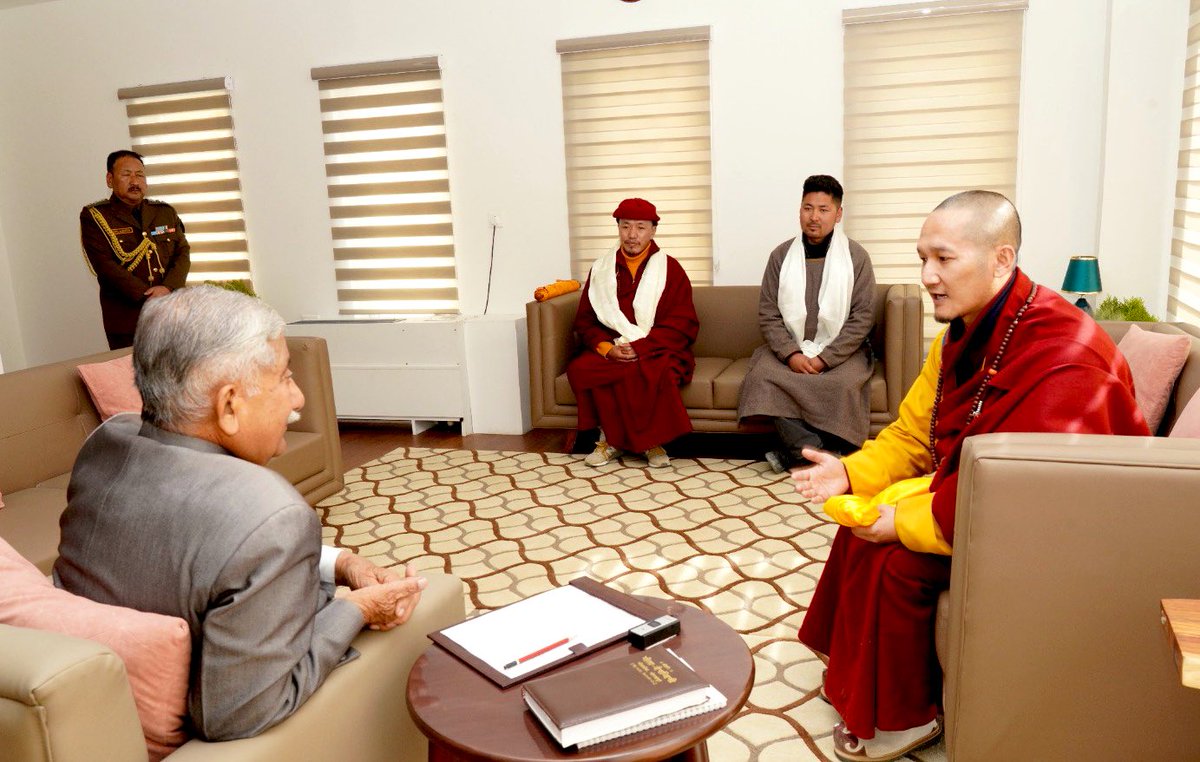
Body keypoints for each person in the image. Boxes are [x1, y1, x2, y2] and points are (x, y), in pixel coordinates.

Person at [792, 191, 1149, 761]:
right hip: (993, 495)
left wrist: (904, 523)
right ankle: (859, 678)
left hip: (1072, 527)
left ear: (1001, 259)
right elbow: (917, 433)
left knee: (899, 561)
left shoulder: (1064, 355)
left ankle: (906, 719)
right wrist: (853, 472)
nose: (927, 276)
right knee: (861, 529)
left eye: (944, 258)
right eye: (922, 258)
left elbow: (1032, 489)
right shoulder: (961, 333)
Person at [54, 285, 427, 742]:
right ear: (229, 404)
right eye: (284, 378)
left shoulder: (106, 442)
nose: (298, 398)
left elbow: (195, 549)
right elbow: (238, 713)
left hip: (83, 715)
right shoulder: (272, 515)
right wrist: (355, 608)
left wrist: (340, 562)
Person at [737, 175, 876, 473]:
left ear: (838, 214)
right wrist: (791, 354)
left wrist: (826, 358)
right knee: (763, 376)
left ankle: (795, 454)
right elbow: (769, 314)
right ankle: (818, 452)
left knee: (842, 383)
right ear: (799, 210)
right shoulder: (780, 256)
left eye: (824, 209)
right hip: (791, 346)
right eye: (808, 208)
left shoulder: (856, 257)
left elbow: (863, 317)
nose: (814, 217)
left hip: (842, 351)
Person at [567, 198, 699, 468]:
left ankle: (646, 442)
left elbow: (683, 323)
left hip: (655, 348)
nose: (632, 235)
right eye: (625, 226)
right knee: (582, 368)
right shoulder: (601, 269)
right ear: (618, 228)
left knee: (652, 369)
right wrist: (607, 349)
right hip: (613, 348)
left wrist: (641, 347)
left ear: (653, 231)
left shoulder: (671, 269)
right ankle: (615, 441)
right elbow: (585, 321)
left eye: (640, 227)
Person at [80, 150, 190, 349]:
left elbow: (182, 252)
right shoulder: (95, 217)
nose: (134, 181)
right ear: (110, 180)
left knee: (176, 366)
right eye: (126, 174)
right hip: (128, 319)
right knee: (131, 369)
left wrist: (167, 288)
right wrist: (148, 296)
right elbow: (104, 265)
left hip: (171, 313)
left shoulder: (164, 212)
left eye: (140, 175)